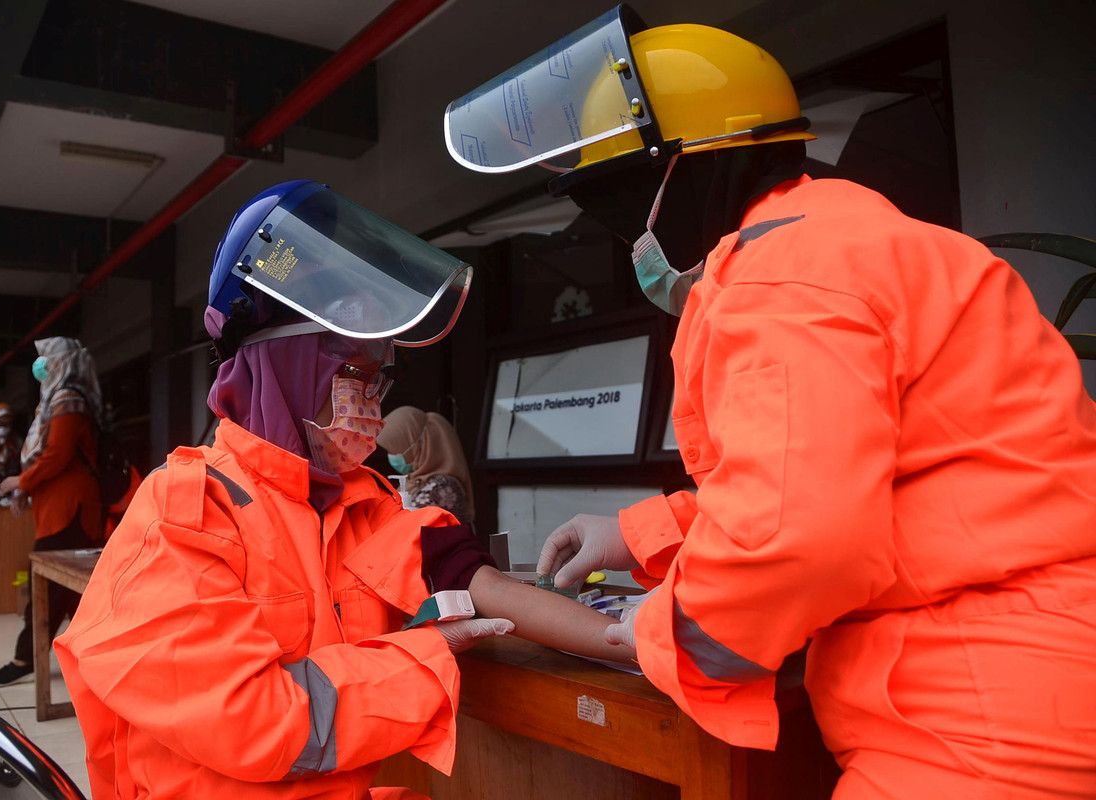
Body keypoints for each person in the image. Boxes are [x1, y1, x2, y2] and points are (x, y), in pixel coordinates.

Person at [446, 9, 1096, 799]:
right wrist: (642, 532)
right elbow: (858, 476)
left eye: (622, 206)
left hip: (975, 721)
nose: (631, 241)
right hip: (1026, 679)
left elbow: (797, 536)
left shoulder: (782, 278)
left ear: (687, 172)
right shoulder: (859, 240)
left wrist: (648, 635)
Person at [54, 180, 635, 800]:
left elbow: (472, 580)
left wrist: (634, 637)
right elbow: (256, 720)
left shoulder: (353, 499)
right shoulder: (183, 515)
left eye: (378, 380)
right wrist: (423, 656)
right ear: (286, 369)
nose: (372, 408)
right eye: (351, 373)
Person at [0, 337, 104, 687]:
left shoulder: (67, 400)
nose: (40, 365)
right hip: (61, 506)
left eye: (46, 359)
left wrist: (19, 481)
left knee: (48, 589)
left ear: (63, 362)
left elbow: (56, 456)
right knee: (71, 590)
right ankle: (92, 654)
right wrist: (25, 486)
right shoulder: (56, 400)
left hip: (71, 508)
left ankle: (25, 657)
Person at [377, 406, 475, 528]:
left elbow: (405, 528)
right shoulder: (414, 481)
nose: (392, 456)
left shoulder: (442, 487)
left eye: (397, 450)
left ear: (420, 446)